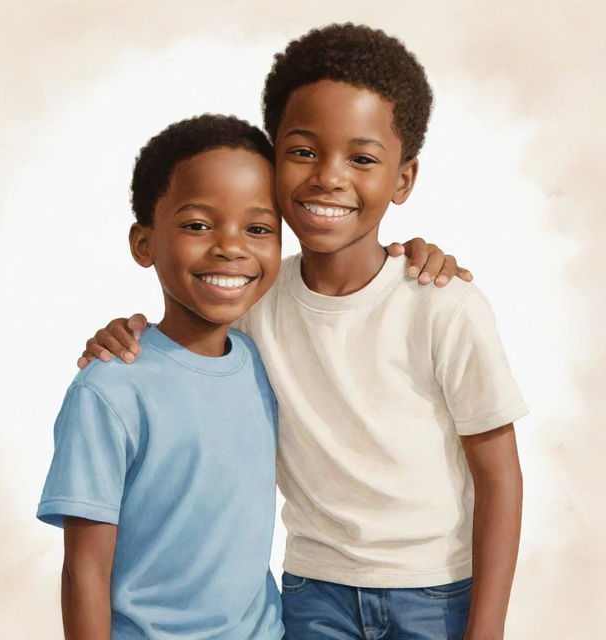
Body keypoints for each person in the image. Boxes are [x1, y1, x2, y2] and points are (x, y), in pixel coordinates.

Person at [78, 24, 527, 640]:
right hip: (312, 593)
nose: (328, 178)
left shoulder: (442, 305)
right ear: (273, 157)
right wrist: (118, 337)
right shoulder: (257, 303)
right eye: (304, 151)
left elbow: (500, 475)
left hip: (436, 592)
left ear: (403, 179)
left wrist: (488, 630)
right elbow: (183, 334)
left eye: (362, 158)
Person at [37, 115, 286, 639]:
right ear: (143, 242)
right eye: (198, 225)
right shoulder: (109, 389)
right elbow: (85, 568)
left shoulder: (265, 359)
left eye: (258, 229)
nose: (231, 247)